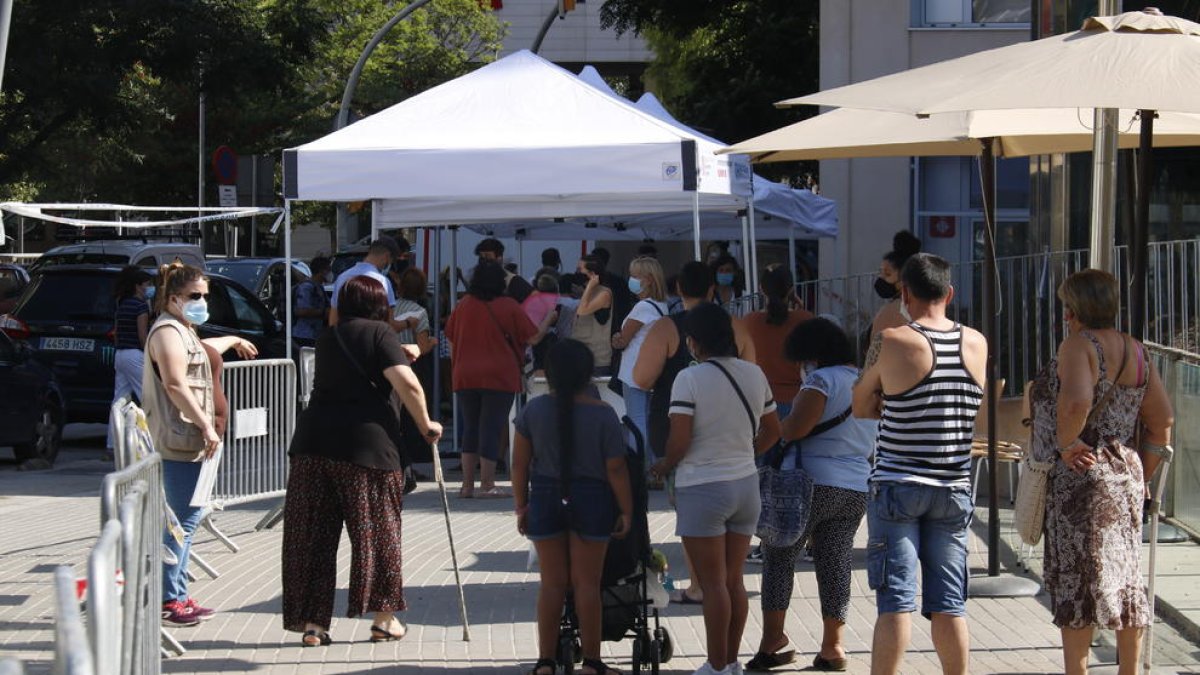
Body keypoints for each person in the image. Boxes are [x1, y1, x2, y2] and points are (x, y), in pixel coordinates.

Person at [281, 275, 442, 647]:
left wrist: (401, 356)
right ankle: (383, 619)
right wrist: (426, 424)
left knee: (311, 538)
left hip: (313, 445)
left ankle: (313, 624)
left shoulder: (327, 337)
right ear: (380, 304)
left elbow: (359, 371)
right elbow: (407, 383)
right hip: (366, 449)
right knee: (376, 533)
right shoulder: (380, 333)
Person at [1027, 269, 1173, 675]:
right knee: (1124, 579)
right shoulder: (1136, 350)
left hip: (1083, 477)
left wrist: (1066, 444)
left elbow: (1076, 403)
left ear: (1074, 309)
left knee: (1078, 582)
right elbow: (1162, 420)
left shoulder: (1079, 345)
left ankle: (1078, 671)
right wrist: (1138, 473)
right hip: (1125, 473)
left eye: (1066, 309)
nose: (1065, 317)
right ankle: (1128, 671)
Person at [851, 253, 985, 675]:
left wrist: (889, 402)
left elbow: (860, 403)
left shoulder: (893, 341)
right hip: (953, 487)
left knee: (896, 604)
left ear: (904, 293)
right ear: (949, 293)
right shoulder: (977, 342)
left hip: (898, 484)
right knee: (949, 605)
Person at [649, 303, 781, 675]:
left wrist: (662, 465)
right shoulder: (754, 374)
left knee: (711, 584)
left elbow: (679, 441)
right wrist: (743, 451)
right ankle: (732, 662)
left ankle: (715, 664)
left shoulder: (689, 379)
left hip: (703, 487)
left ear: (693, 341)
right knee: (733, 580)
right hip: (745, 485)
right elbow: (774, 430)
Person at [749, 318, 875, 672]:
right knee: (836, 562)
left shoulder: (823, 380)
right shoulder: (868, 381)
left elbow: (794, 428)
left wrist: (772, 431)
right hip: (854, 486)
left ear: (813, 354)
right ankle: (834, 647)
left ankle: (773, 641)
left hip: (809, 484)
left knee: (780, 556)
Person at [142, 263, 259, 627]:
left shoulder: (183, 329)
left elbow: (204, 349)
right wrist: (207, 426)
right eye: (195, 296)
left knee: (186, 521)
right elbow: (175, 384)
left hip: (193, 442)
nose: (202, 302)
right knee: (181, 524)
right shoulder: (166, 331)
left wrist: (234, 340)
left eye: (205, 296)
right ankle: (168, 599)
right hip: (181, 441)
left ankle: (176, 594)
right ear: (173, 298)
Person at [512, 339, 634, 675]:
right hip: (593, 497)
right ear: (587, 375)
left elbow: (520, 465)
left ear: (548, 375)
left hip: (546, 496)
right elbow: (616, 468)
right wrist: (626, 509)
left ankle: (545, 661)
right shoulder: (604, 415)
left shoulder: (532, 411)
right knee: (587, 584)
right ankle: (593, 662)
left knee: (551, 583)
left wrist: (521, 507)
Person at [445, 260, 544, 498]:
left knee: (470, 427)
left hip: (465, 373)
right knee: (490, 427)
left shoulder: (464, 304)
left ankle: (466, 485)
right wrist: (549, 319)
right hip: (500, 374)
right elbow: (533, 338)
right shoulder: (508, 305)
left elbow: (450, 338)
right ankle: (487, 484)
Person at [611, 256, 669, 448]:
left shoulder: (643, 307)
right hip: (652, 369)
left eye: (635, 275)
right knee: (648, 419)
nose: (631, 279)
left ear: (649, 280)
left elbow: (623, 340)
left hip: (633, 371)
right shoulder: (662, 306)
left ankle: (638, 463)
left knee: (636, 420)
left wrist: (617, 340)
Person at [742, 267, 813, 418]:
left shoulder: (748, 321)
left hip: (759, 401)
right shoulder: (806, 319)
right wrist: (801, 310)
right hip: (796, 401)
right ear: (791, 290)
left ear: (761, 289)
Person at [108, 265, 153, 451]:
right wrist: (150, 356)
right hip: (135, 354)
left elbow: (117, 332)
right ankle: (152, 442)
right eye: (147, 284)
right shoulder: (140, 306)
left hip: (120, 354)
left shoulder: (122, 303)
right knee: (149, 397)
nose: (150, 287)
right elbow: (143, 335)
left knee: (119, 400)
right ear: (138, 286)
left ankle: (112, 444)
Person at [329, 236, 406, 328]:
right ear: (387, 256)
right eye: (391, 261)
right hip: (371, 338)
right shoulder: (382, 282)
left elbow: (333, 320)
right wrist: (409, 322)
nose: (389, 265)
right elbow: (389, 324)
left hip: (345, 337)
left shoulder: (342, 277)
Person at [868, 231, 922, 340]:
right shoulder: (924, 305)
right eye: (880, 272)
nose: (881, 278)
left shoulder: (893, 311)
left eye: (887, 274)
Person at [574, 254, 614, 376]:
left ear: (592, 273)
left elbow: (582, 310)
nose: (577, 272)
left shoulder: (604, 293)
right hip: (581, 354)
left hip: (597, 359)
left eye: (580, 269)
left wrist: (590, 285)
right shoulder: (586, 292)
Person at [389, 266, 435, 356]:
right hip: (409, 362)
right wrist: (433, 342)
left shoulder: (390, 307)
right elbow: (423, 348)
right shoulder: (420, 312)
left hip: (389, 359)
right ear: (422, 289)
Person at [475, 238, 533, 303]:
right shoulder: (477, 282)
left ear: (499, 258)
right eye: (481, 258)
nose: (484, 261)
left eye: (487, 257)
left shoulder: (513, 281)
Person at [294, 256, 331, 347]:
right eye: (329, 270)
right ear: (322, 271)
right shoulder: (307, 287)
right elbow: (301, 310)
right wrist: (323, 312)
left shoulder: (319, 287)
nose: (331, 273)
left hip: (316, 334)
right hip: (305, 336)